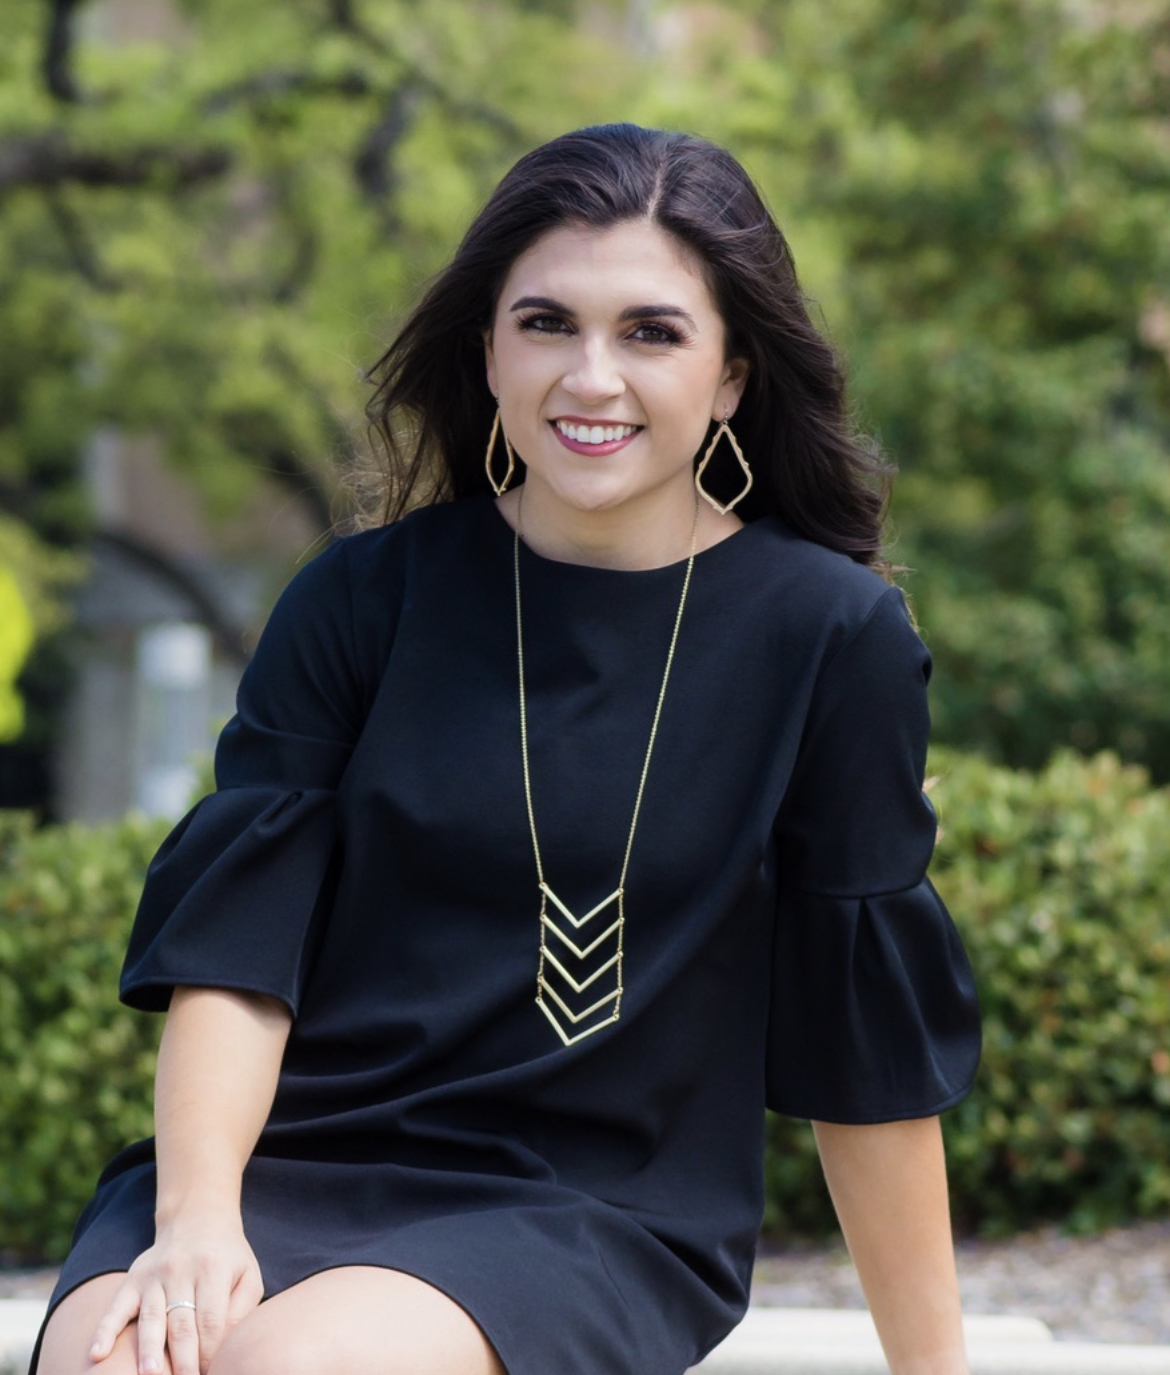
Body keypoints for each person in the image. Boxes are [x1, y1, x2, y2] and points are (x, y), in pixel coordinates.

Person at [34, 123, 980, 1375]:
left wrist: (934, 1372)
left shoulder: (830, 635)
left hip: (588, 1203)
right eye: (547, 324)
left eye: (651, 332)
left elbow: (864, 1045)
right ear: (489, 350)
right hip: (287, 1159)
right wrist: (197, 1220)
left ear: (733, 376)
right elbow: (238, 954)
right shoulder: (361, 598)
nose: (592, 377)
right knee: (117, 1360)